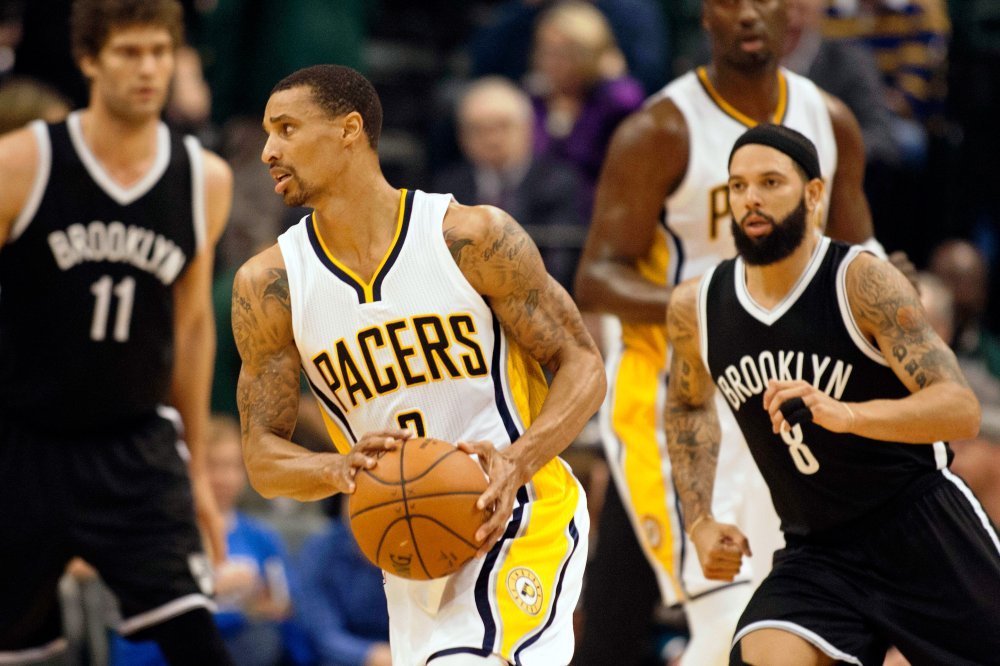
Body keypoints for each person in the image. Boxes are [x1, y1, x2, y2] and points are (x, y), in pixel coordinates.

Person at [233, 64, 605, 666]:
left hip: (520, 516)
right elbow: (261, 456)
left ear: (349, 129)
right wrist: (337, 468)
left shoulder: (471, 237)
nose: (269, 151)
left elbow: (583, 364)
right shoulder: (271, 285)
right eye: (268, 134)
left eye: (287, 129)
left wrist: (518, 461)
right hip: (410, 550)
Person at [573, 0, 885, 663]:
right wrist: (718, 310)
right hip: (673, 390)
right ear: (704, 18)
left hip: (788, 391)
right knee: (709, 611)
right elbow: (596, 279)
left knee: (775, 608)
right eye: (728, 2)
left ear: (789, 13)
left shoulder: (830, 119)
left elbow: (859, 253)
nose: (747, 14)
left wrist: (889, 287)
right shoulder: (660, 129)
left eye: (761, 0)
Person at [664, 123, 1000, 665]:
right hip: (817, 550)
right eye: (738, 185)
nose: (751, 198)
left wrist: (848, 414)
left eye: (770, 182)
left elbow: (960, 408)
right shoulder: (696, 306)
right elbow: (687, 403)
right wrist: (699, 519)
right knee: (763, 653)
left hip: (922, 528)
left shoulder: (861, 282)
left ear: (814, 194)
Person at [0, 1, 234, 664]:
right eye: (129, 52)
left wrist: (194, 468)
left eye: (160, 52)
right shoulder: (22, 163)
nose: (149, 69)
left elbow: (192, 329)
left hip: (135, 447)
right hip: (24, 442)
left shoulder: (204, 179)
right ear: (89, 60)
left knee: (198, 640)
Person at [108, 414, 298, 666]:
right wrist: (213, 593)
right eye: (212, 466)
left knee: (263, 640)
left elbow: (285, 610)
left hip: (246, 649)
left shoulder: (262, 538)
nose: (223, 478)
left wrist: (264, 605)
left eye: (233, 466)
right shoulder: (161, 536)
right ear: (189, 468)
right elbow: (139, 633)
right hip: (168, 654)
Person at [432, 76, 585, 293]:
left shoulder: (558, 182)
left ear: (528, 128)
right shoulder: (447, 187)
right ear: (462, 136)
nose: (492, 139)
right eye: (479, 129)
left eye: (502, 126)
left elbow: (561, 263)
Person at [294, 494, 392, 666]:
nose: (367, 508)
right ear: (339, 503)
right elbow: (323, 633)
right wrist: (371, 655)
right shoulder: (320, 551)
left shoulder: (413, 549)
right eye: (353, 498)